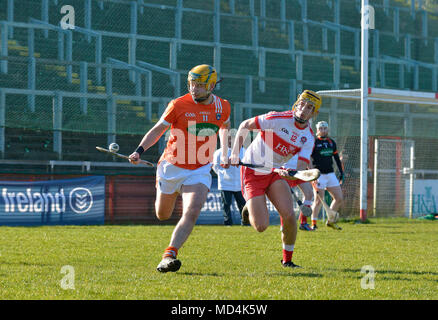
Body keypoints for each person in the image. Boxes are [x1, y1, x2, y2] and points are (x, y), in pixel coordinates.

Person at [129, 64, 231, 273]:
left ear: (211, 86)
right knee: (163, 215)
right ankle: (167, 189)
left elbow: (225, 127)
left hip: (199, 169)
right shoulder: (178, 105)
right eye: (192, 84)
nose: (194, 89)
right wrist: (139, 150)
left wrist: (226, 151)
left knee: (192, 211)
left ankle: (169, 254)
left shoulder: (223, 107)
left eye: (200, 85)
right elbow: (158, 129)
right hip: (171, 167)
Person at [229, 90, 322, 268]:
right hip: (252, 171)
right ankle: (249, 207)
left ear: (313, 113)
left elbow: (301, 166)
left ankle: (287, 260)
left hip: (274, 173)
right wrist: (235, 153)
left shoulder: (308, 137)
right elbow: (245, 125)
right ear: (297, 104)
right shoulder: (276, 118)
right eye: (302, 104)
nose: (303, 109)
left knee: (289, 215)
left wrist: (291, 172)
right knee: (261, 226)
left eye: (309, 107)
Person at [310, 121, 344, 230]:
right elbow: (307, 158)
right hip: (319, 175)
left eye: (325, 128)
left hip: (330, 174)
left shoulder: (331, 142)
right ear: (317, 130)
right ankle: (313, 223)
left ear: (327, 130)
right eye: (321, 128)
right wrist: (311, 173)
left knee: (339, 198)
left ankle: (331, 220)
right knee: (318, 200)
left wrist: (341, 172)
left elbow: (337, 159)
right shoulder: (313, 142)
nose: (323, 130)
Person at [212, 134, 247, 226]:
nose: (231, 142)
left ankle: (245, 222)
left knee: (243, 205)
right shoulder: (219, 152)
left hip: (240, 184)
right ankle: (228, 223)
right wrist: (222, 173)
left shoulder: (244, 151)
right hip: (225, 184)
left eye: (234, 140)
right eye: (229, 140)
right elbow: (215, 166)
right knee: (226, 205)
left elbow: (247, 166)